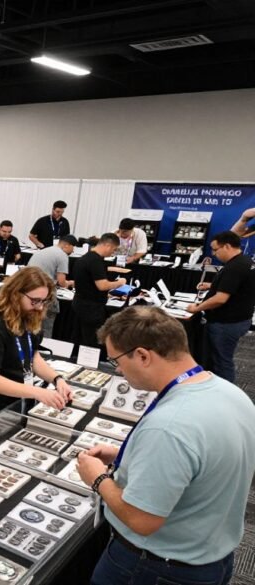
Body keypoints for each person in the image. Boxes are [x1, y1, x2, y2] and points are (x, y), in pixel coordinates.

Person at [77, 306, 255, 585]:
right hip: (211, 555)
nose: (120, 371)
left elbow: (141, 520)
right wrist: (127, 456)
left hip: (155, 567)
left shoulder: (169, 426)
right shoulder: (231, 393)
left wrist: (98, 478)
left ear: (143, 356)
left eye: (117, 362)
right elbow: (203, 463)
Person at [0, 267, 74, 429]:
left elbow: (32, 356)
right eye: (35, 300)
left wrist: (57, 379)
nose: (40, 307)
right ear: (15, 293)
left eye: (44, 301)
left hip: (14, 400)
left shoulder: (28, 315)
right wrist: (37, 392)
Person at [186, 231, 255, 383]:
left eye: (215, 249)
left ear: (227, 246)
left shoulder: (235, 267)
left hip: (227, 323)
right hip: (239, 319)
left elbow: (220, 299)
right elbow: (236, 287)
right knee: (220, 358)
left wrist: (196, 308)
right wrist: (211, 286)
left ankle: (227, 394)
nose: (214, 253)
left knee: (222, 361)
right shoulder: (245, 262)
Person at [72, 233, 126, 348]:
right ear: (107, 245)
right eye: (114, 249)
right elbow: (102, 286)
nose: (113, 253)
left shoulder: (85, 258)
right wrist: (119, 283)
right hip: (91, 307)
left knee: (82, 336)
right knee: (92, 339)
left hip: (80, 302)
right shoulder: (95, 261)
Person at [27, 235, 78, 339]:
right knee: (47, 324)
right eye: (73, 248)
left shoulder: (44, 251)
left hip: (29, 291)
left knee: (30, 322)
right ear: (67, 245)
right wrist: (70, 283)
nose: (73, 251)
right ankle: (45, 347)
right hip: (45, 293)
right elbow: (61, 281)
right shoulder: (62, 256)